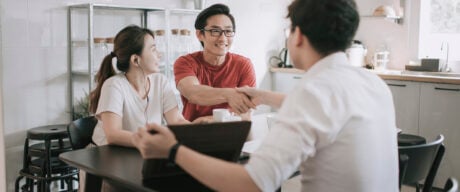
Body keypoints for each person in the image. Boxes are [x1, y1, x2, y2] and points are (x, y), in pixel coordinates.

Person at [132, 0, 399, 191]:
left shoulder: (314, 93)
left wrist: (173, 150)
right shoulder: (372, 83)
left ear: (297, 36)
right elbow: (327, 108)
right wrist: (263, 96)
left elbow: (252, 183)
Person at [90, 25, 190, 147]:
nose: (159, 55)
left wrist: (201, 130)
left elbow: (176, 120)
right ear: (136, 60)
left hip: (141, 152)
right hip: (107, 157)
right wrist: (152, 141)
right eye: (153, 50)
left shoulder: (160, 81)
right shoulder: (113, 86)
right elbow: (113, 135)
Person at [174, 4, 257, 121]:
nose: (223, 38)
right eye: (215, 31)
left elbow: (246, 112)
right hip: (193, 133)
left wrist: (210, 120)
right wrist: (230, 94)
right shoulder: (185, 62)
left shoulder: (243, 65)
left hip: (232, 133)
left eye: (228, 31)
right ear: (200, 34)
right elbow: (192, 93)